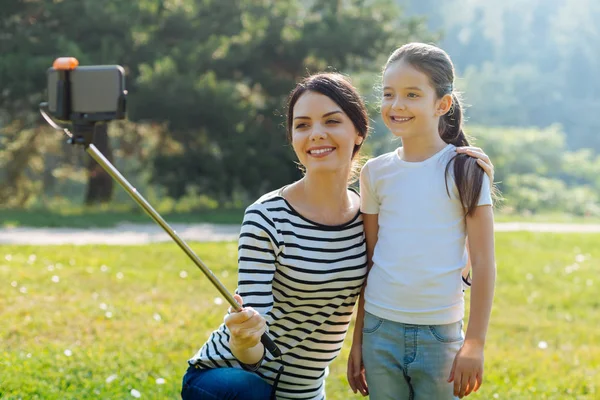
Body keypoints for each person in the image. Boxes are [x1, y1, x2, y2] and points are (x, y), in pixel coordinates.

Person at [181, 72, 494, 400]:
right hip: (229, 377)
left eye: (331, 121)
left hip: (303, 392)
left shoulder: (368, 214)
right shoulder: (265, 217)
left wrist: (472, 176)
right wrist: (245, 341)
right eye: (302, 125)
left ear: (359, 132)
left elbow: (432, 245)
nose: (316, 134)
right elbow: (253, 347)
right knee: (248, 390)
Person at [347, 42, 497, 400]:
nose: (396, 105)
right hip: (379, 332)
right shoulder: (375, 173)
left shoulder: (466, 169)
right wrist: (358, 341)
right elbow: (370, 262)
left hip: (440, 334)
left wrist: (474, 343)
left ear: (442, 104)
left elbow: (485, 263)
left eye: (412, 94)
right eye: (388, 94)